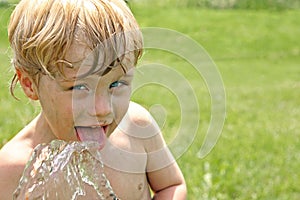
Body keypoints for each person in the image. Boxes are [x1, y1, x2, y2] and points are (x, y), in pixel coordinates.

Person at [0, 0, 187, 199]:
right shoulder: (12, 169)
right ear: (30, 84)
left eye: (116, 84)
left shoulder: (137, 128)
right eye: (79, 87)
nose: (103, 109)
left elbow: (171, 185)